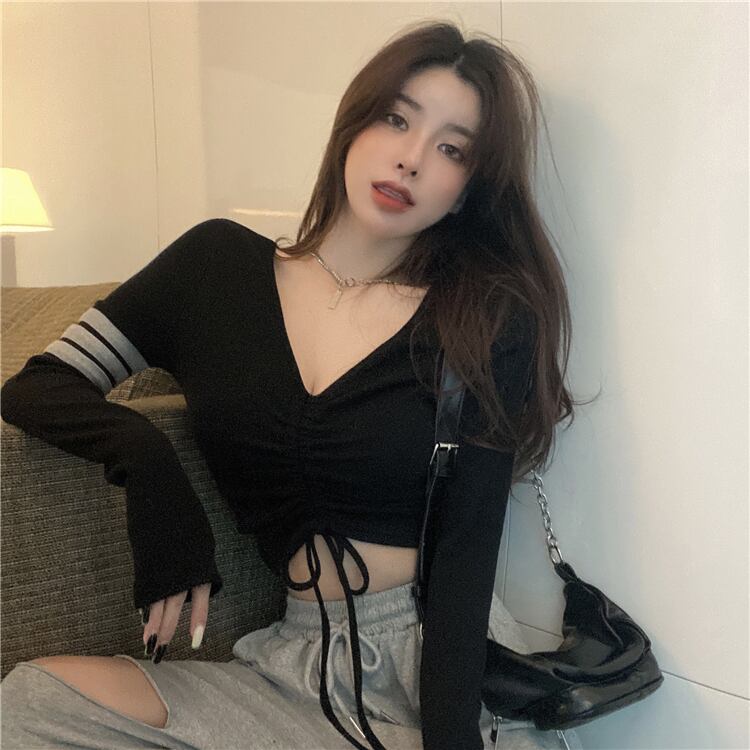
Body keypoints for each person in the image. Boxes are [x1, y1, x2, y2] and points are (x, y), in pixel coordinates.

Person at [0, 19, 582, 750]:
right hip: (292, 671)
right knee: (31, 705)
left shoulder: (480, 317)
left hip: (437, 674)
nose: (409, 159)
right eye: (397, 119)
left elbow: (466, 558)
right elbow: (38, 385)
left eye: (451, 149)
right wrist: (146, 464)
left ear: (469, 190)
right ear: (353, 124)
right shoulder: (214, 269)